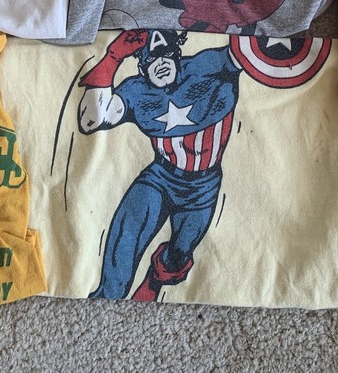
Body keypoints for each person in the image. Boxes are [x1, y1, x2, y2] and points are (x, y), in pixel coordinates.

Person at [77, 29, 243, 301]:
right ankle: (107, 295)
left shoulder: (205, 67)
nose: (161, 62)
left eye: (167, 54)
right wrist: (113, 57)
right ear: (142, 66)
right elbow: (89, 120)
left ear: (177, 56)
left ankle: (154, 280)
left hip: (203, 186)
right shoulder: (136, 90)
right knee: (126, 237)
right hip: (161, 177)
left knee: (179, 254)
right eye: (152, 57)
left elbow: (249, 55)